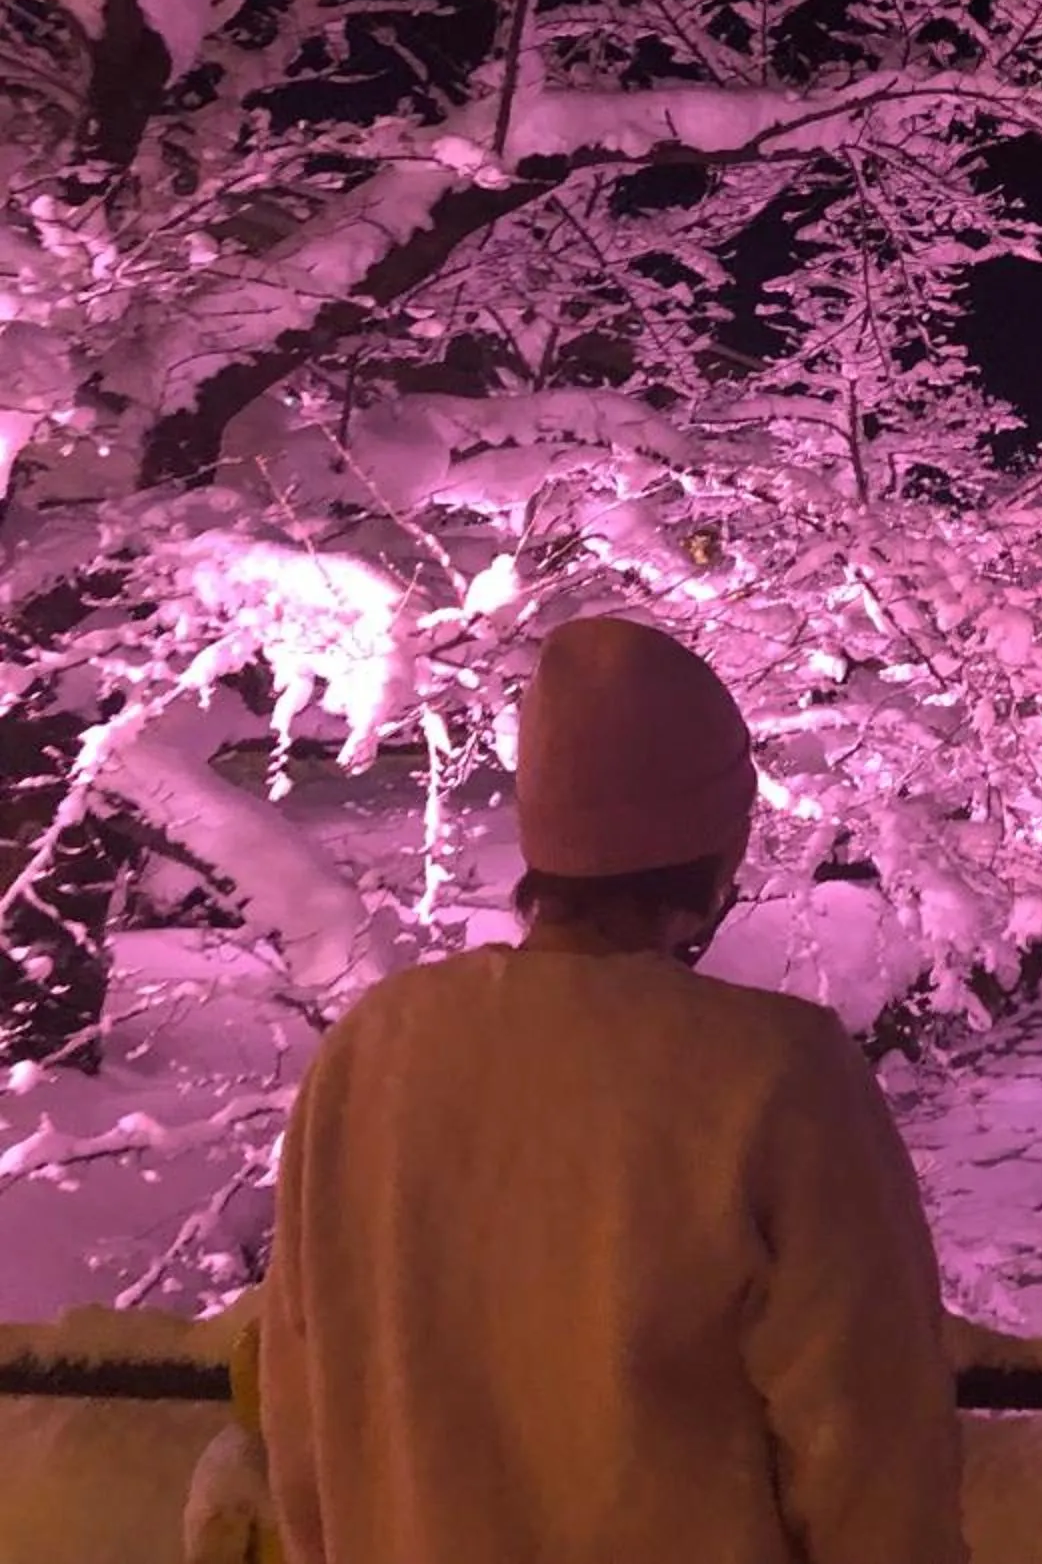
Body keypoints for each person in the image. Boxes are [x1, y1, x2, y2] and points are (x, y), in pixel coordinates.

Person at [260, 615, 967, 1564]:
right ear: (719, 846)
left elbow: (302, 1408)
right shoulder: (775, 1073)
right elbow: (870, 1447)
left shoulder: (374, 1052)